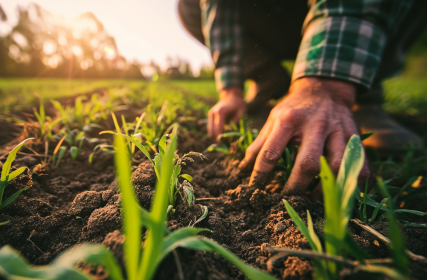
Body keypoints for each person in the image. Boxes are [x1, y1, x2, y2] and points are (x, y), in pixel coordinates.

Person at [178, 0, 427, 195]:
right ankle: (268, 80)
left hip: (372, 14)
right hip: (286, 16)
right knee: (190, 6)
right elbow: (217, 6)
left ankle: (362, 91)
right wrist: (230, 90)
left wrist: (327, 86)